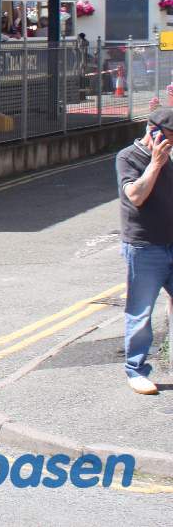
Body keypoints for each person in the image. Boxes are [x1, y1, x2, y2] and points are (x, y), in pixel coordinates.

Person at [116, 108, 173, 394]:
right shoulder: (128, 157)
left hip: (170, 242)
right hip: (144, 247)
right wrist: (155, 163)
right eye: (170, 139)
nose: (171, 146)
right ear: (154, 132)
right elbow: (136, 196)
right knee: (140, 312)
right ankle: (136, 371)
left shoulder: (169, 160)